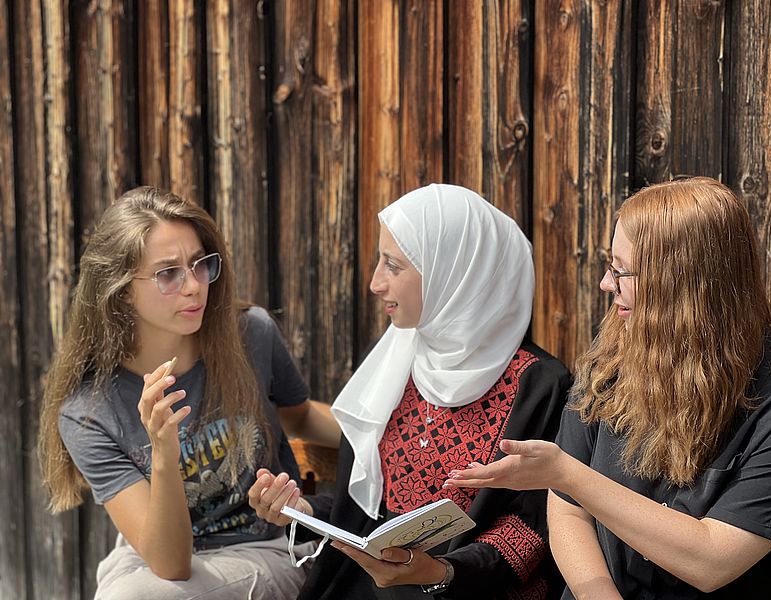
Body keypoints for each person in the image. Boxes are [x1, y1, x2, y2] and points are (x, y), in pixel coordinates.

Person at [445, 177, 771, 599]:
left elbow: (712, 559)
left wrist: (567, 474)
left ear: (682, 284)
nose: (605, 283)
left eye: (621, 270)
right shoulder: (611, 357)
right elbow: (567, 509)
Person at [249, 183, 573, 599]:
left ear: (453, 272)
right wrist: (300, 510)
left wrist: (440, 573)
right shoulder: (397, 359)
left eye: (393, 265)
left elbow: (530, 533)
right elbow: (367, 510)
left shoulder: (539, 385)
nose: (375, 283)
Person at [38, 186, 340, 600]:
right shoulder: (88, 411)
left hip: (263, 547)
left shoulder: (250, 335)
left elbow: (300, 417)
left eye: (200, 265)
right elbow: (171, 563)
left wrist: (394, 436)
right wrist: (163, 451)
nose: (194, 286)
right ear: (123, 289)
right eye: (168, 274)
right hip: (152, 557)